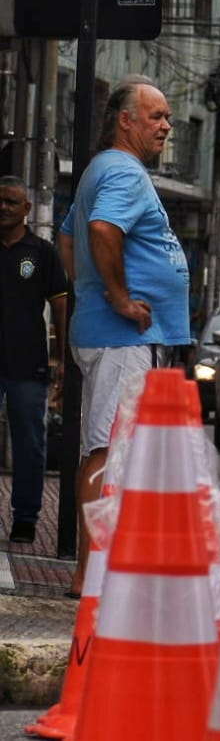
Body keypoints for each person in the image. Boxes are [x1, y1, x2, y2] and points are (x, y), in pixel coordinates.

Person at [59, 76, 191, 593]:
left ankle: (99, 571)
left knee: (116, 450)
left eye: (168, 118)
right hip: (122, 340)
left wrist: (91, 290)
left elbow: (69, 237)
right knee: (106, 452)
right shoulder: (123, 173)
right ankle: (90, 577)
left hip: (115, 335)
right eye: (156, 116)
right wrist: (115, 297)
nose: (166, 126)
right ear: (126, 120)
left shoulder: (103, 170)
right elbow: (98, 231)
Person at [0, 177, 69, 545]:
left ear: (27, 209)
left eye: (12, 202)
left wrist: (61, 360)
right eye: (0, 201)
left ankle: (25, 518)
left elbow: (60, 305)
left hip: (29, 365)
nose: (4, 208)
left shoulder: (42, 253)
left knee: (30, 444)